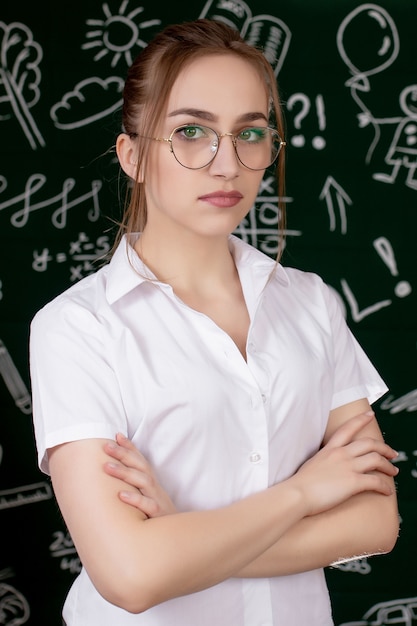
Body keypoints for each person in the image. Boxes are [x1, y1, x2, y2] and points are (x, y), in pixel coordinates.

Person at [29, 18, 399, 626]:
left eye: (250, 133)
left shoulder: (311, 303)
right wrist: (305, 493)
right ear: (132, 156)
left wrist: (178, 537)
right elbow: (130, 575)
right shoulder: (76, 327)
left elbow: (374, 522)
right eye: (191, 132)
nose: (227, 163)